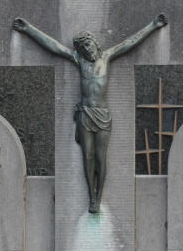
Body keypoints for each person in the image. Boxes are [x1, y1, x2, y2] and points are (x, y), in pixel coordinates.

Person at [12, 14, 168, 212]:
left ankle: (99, 194)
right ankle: (92, 196)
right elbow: (54, 47)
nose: (87, 50)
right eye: (83, 48)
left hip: (102, 115)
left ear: (95, 44)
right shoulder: (79, 60)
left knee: (101, 157)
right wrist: (28, 30)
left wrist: (154, 25)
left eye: (89, 46)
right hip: (85, 115)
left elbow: (131, 42)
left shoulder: (108, 57)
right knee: (87, 156)